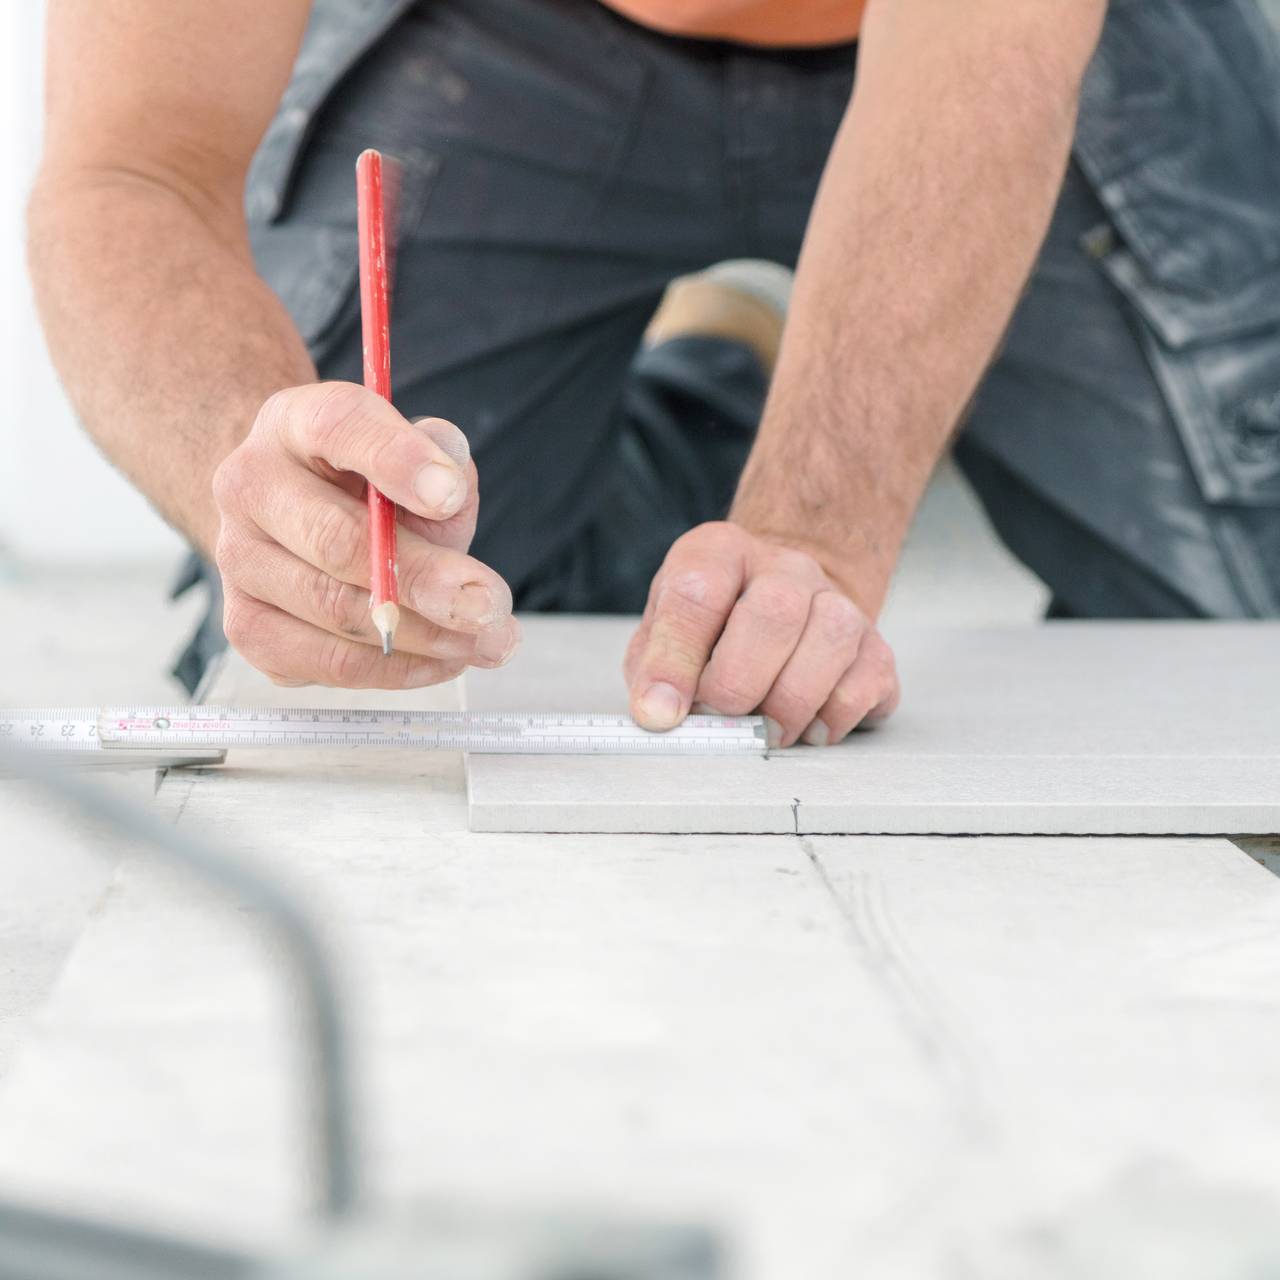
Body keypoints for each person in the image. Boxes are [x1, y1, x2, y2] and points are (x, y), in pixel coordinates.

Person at [28, 0, 1280, 750]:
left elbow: (982, 38)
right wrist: (244, 479)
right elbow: (129, 173)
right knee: (374, 606)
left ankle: (740, 411)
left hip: (1016, 36)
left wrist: (813, 536)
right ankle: (714, 382)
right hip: (499, 35)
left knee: (1236, 656)